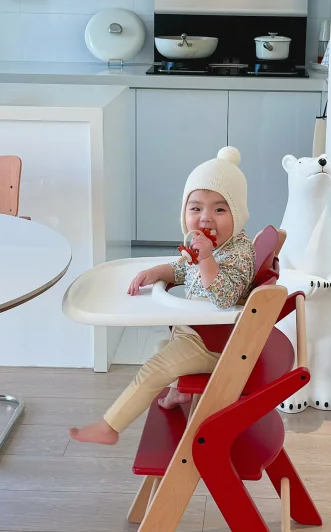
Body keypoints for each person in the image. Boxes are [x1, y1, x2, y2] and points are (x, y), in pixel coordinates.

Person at [70, 146, 255, 445]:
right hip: (196, 329)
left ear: (239, 215)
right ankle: (179, 392)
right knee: (160, 346)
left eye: (219, 210)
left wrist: (207, 259)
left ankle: (110, 427)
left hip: (215, 343)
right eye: (196, 208)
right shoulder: (212, 246)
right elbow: (184, 270)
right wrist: (157, 272)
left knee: (154, 369)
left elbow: (224, 297)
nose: (206, 219)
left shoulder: (238, 253)